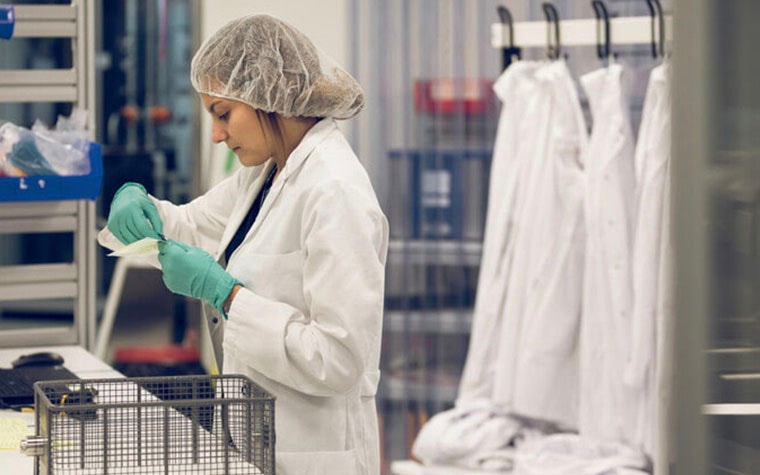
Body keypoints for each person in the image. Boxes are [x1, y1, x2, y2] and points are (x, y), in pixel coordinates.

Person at [98, 14, 388, 475]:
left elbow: (338, 359)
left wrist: (229, 297)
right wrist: (138, 205)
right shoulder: (264, 173)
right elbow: (189, 226)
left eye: (222, 113)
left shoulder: (334, 191)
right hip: (252, 437)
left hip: (313, 452)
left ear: (267, 96)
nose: (216, 134)